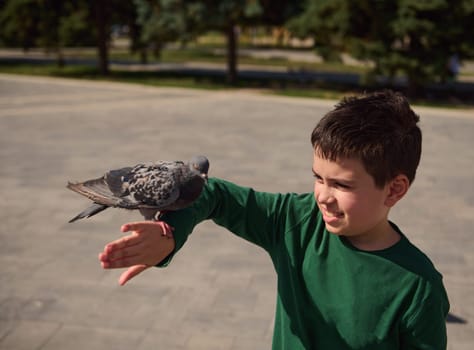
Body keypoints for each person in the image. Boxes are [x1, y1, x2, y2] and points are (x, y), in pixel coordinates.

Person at [99, 90, 449, 349]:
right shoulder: (295, 221)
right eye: (318, 178)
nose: (323, 196)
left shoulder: (418, 288)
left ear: (394, 189)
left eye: (341, 184)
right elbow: (214, 195)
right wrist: (170, 233)